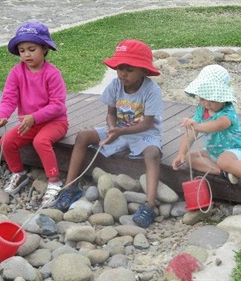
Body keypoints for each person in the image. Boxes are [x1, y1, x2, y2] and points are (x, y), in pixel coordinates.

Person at [55, 39, 163, 228]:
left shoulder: (152, 90)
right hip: (120, 127)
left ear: (144, 71)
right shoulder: (115, 85)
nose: (123, 73)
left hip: (144, 131)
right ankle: (70, 186)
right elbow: (111, 113)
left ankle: (149, 205)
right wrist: (112, 129)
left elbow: (147, 123)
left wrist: (120, 131)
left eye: (129, 70)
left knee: (153, 153)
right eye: (120, 68)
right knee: (82, 136)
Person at [0, 22, 69, 207]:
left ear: (44, 48)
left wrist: (35, 117)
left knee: (40, 141)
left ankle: (54, 181)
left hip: (55, 122)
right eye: (22, 50)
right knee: (6, 141)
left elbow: (58, 106)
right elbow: (9, 98)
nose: (26, 54)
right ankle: (18, 174)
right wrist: (2, 115)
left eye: (31, 49)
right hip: (29, 123)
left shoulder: (52, 74)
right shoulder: (16, 72)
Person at [172, 64, 241, 199]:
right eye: (202, 98)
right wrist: (181, 153)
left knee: (224, 160)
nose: (206, 103)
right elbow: (191, 133)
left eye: (211, 99)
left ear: (223, 96)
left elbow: (216, 126)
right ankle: (224, 173)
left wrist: (195, 126)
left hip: (236, 152)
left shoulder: (227, 113)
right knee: (190, 158)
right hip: (214, 152)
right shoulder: (202, 110)